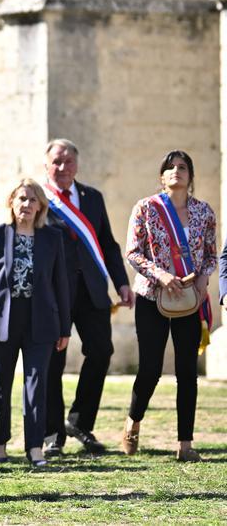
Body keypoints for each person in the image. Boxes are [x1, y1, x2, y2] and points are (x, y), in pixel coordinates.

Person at [42, 139, 132, 456]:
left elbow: (108, 244)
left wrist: (121, 283)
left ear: (77, 165)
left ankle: (80, 423)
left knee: (101, 350)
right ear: (46, 165)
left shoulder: (93, 197)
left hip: (92, 290)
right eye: (57, 161)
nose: (63, 167)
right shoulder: (39, 198)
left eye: (68, 161)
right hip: (54, 293)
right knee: (53, 360)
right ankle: (52, 433)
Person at [125, 151, 215, 462]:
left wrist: (204, 278)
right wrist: (161, 275)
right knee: (150, 368)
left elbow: (212, 255)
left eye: (182, 167)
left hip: (189, 300)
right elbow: (134, 253)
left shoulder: (204, 212)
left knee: (187, 372)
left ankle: (185, 443)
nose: (176, 171)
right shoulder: (146, 208)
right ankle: (133, 423)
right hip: (152, 297)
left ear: (190, 176)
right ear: (162, 175)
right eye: (170, 167)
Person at [0, 179, 70, 468]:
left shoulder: (52, 238)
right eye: (21, 199)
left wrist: (65, 327)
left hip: (40, 321)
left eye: (33, 200)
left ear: (40, 206)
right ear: (11, 203)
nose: (27, 205)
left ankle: (35, 447)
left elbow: (61, 285)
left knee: (36, 385)